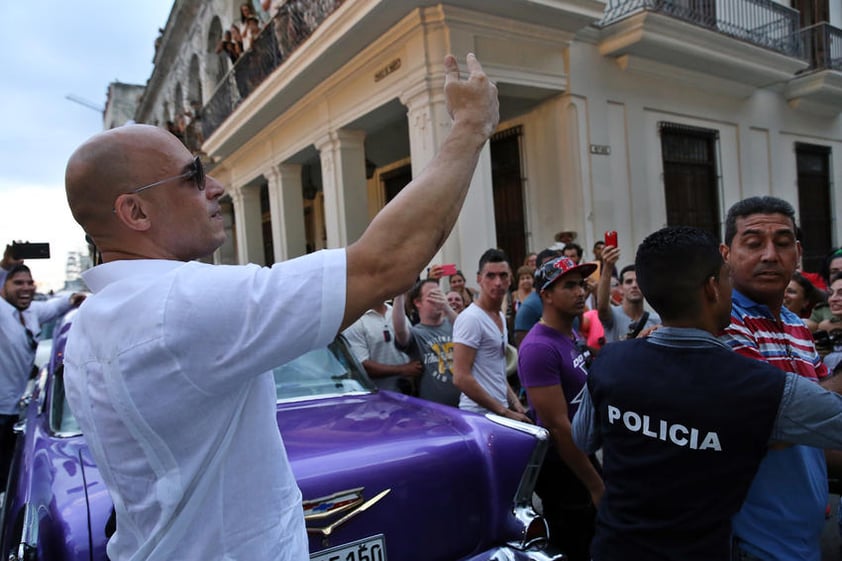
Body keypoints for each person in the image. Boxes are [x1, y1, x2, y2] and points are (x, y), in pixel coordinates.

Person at [62, 53, 499, 561]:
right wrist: (469, 127)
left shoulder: (94, 320)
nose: (216, 187)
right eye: (193, 175)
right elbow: (384, 265)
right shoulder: (177, 305)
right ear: (134, 211)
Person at [573, 225, 842, 561]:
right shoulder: (759, 387)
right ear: (713, 287)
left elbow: (582, 439)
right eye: (727, 277)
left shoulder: (610, 362)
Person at [718, 196, 829, 561]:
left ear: (797, 253)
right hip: (749, 541)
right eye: (753, 243)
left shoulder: (798, 326)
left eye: (782, 243)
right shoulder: (721, 323)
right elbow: (775, 423)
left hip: (802, 535)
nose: (770, 255)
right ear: (726, 253)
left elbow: (827, 420)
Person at [517, 256, 602, 561]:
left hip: (584, 452)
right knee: (575, 546)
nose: (580, 292)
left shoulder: (570, 332)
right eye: (569, 285)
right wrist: (595, 485)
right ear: (546, 295)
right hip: (564, 468)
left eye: (581, 284)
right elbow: (557, 427)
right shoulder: (539, 347)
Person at [0, 252, 85, 483]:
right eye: (18, 283)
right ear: (3, 285)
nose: (26, 288)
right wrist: (3, 268)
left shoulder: (31, 313)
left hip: (15, 410)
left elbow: (57, 305)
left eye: (29, 283)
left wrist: (73, 298)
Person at [452, 249, 529, 421]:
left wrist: (514, 402)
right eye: (490, 276)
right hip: (478, 416)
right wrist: (505, 411)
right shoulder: (471, 319)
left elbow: (495, 369)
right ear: (479, 279)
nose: (498, 282)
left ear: (510, 279)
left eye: (503, 276)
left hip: (498, 413)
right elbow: (460, 377)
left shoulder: (499, 316)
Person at [394, 280, 459, 406]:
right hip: (432, 410)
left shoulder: (452, 323)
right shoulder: (417, 333)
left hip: (465, 406)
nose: (438, 299)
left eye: (439, 294)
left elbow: (467, 329)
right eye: (432, 296)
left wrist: (446, 307)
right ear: (418, 302)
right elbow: (400, 331)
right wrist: (399, 295)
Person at [342, 301, 422, 394]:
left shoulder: (396, 312)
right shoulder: (356, 321)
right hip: (378, 397)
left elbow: (412, 346)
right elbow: (362, 366)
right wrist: (403, 370)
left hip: (408, 393)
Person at [596, 245, 660, 343]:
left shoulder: (657, 321)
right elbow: (602, 308)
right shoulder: (612, 316)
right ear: (620, 288)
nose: (634, 285)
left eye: (639, 281)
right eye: (629, 281)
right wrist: (608, 266)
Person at [513, 248, 561, 346]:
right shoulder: (529, 307)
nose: (552, 271)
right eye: (547, 266)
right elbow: (524, 345)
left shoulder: (567, 298)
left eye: (555, 266)